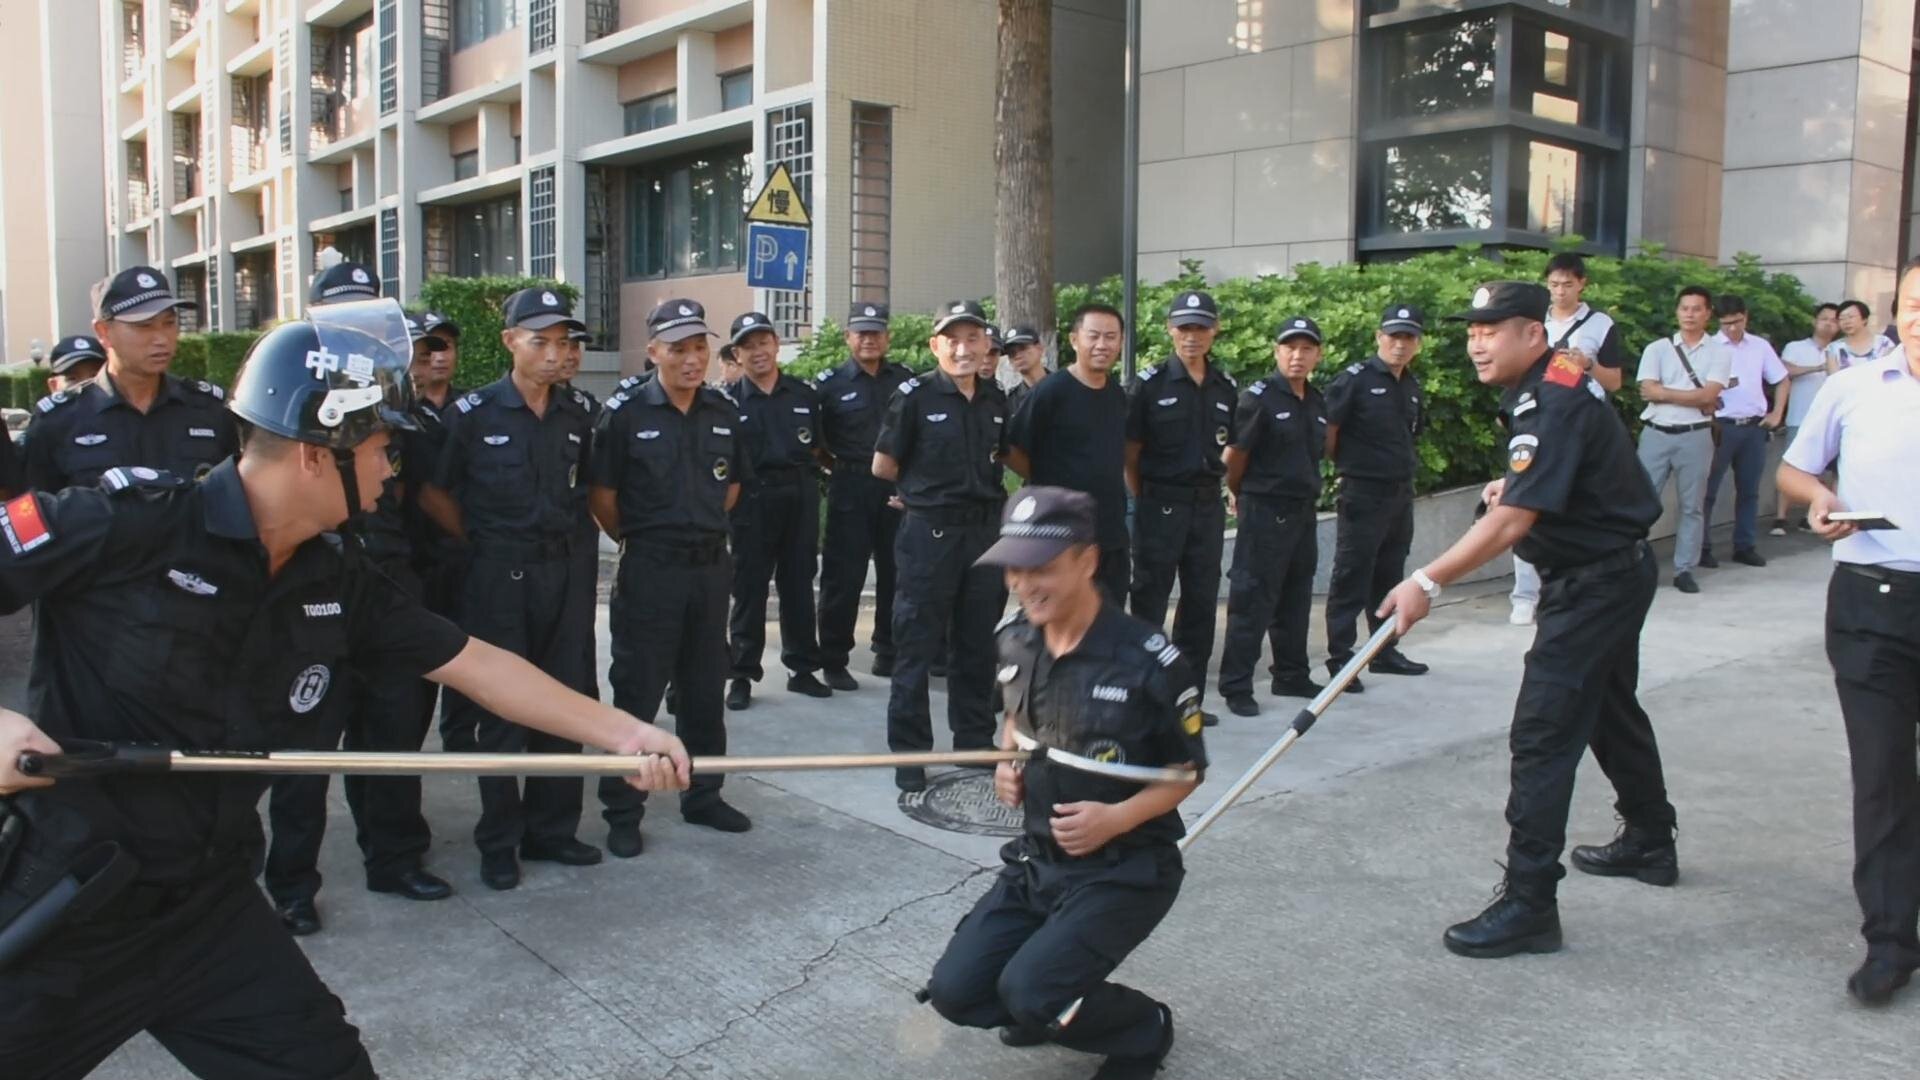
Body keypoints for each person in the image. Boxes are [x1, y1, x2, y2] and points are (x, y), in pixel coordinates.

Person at [0, 298, 689, 1078]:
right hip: (71, 903)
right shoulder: (125, 523)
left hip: (208, 907)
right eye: (384, 448)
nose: (394, 470)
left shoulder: (336, 575)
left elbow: (476, 664)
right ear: (316, 454)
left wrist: (625, 735)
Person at [1377, 281, 1677, 961]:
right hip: (1609, 571)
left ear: (1533, 334)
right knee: (1609, 711)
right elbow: (1555, 477)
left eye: (1492, 330)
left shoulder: (1551, 398)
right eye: (1471, 331)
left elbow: (1512, 522)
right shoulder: (1555, 380)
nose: (1476, 344)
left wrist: (1426, 581)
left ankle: (1530, 902)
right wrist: (1512, 486)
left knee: (1543, 733)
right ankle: (1651, 839)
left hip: (1595, 585)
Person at [924, 486, 1204, 1080]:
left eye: (1042, 568)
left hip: (1124, 868)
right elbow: (1015, 718)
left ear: (1087, 560)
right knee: (955, 992)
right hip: (1038, 861)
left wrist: (1116, 818)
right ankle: (1049, 1005)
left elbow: (1185, 773)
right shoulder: (1015, 639)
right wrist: (1008, 761)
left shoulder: (1148, 663)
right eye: (1014, 569)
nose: (1024, 584)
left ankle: (1143, 1029)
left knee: (1031, 992)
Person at [261, 267, 455, 935]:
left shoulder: (396, 406)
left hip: (388, 587)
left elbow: (426, 505)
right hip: (311, 594)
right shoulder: (294, 396)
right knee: (306, 749)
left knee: (394, 736)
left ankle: (394, 858)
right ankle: (291, 884)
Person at [420, 287, 603, 890]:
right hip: (497, 578)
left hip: (563, 576)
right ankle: (499, 841)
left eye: (563, 343)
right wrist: (481, 541)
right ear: (509, 342)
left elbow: (590, 490)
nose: (554, 354)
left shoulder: (579, 413)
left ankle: (553, 830)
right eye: (540, 341)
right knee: (500, 711)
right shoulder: (474, 414)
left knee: (564, 700)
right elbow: (435, 493)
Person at [1777, 255, 1920, 1006]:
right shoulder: (1854, 387)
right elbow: (1795, 470)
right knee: (1883, 772)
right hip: (1872, 603)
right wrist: (1817, 499)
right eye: (1914, 303)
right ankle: (1891, 940)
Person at [592, 299, 756, 856]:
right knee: (637, 690)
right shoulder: (625, 413)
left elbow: (731, 486)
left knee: (704, 687)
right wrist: (646, 540)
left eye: (699, 348)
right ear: (653, 352)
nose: (692, 359)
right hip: (651, 568)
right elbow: (603, 498)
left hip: (709, 567)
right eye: (678, 349)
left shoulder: (723, 410)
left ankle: (704, 796)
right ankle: (622, 810)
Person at [873, 300, 1010, 793]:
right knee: (917, 644)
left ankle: (974, 740)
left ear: (986, 345)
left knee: (977, 643)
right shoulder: (914, 396)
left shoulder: (995, 399)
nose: (963, 348)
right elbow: (883, 465)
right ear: (936, 346)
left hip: (983, 534)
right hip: (930, 535)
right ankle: (910, 754)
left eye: (973, 338)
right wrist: (919, 494)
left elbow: (1002, 457)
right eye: (953, 340)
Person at [21, 267, 237, 493]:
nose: (161, 338)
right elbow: (35, 507)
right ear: (103, 332)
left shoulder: (209, 410)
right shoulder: (58, 421)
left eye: (169, 323)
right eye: (144, 326)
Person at [1125, 291, 1237, 721]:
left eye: (1201, 327)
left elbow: (1231, 446)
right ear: (1170, 329)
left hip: (1206, 509)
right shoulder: (1149, 385)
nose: (1192, 336)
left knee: (1201, 605)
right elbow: (1130, 455)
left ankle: (1187, 701)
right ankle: (1145, 701)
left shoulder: (1224, 387)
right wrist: (1148, 499)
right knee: (1149, 603)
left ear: (1215, 330)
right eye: (1184, 327)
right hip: (1161, 505)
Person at [1218, 316, 1328, 717]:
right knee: (1252, 600)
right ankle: (1236, 686)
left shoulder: (1316, 400)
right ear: (1277, 352)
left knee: (1296, 597)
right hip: (1265, 510)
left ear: (1317, 355)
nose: (1297, 356)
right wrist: (1240, 493)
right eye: (1290, 348)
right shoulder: (1258, 398)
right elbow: (1234, 458)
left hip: (1302, 511)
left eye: (1306, 349)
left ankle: (1291, 674)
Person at [722, 311, 832, 710]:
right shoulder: (726, 402)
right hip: (751, 499)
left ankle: (802, 668)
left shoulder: (804, 395)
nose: (758, 352)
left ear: (776, 345)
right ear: (737, 354)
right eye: (748, 346)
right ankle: (741, 674)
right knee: (749, 588)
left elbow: (818, 447)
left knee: (799, 583)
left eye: (763, 342)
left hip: (799, 494)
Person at [1511, 253, 1625, 625]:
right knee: (1524, 502)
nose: (1560, 291)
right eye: (1554, 284)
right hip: (1536, 418)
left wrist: (1586, 364)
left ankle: (1565, 589)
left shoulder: (1600, 324)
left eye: (1568, 284)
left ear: (1582, 284)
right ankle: (1524, 596)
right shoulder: (1533, 320)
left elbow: (1615, 382)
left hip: (1580, 424)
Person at [1321, 302, 1429, 690]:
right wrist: (1351, 467)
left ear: (1417, 343)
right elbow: (1329, 432)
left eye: (1408, 337)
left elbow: (1412, 434)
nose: (1400, 344)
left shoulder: (1411, 385)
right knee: (1352, 575)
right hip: (1363, 491)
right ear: (1379, 337)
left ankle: (1383, 650)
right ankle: (1341, 658)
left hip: (1399, 492)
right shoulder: (1354, 380)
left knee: (1389, 574)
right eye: (1393, 336)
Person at [814, 302, 914, 690]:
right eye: (861, 333)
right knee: (844, 577)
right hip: (850, 487)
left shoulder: (905, 381)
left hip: (895, 487)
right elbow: (816, 442)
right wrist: (839, 467)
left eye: (876, 332)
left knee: (896, 572)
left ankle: (887, 649)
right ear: (848, 337)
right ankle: (834, 658)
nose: (869, 339)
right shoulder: (830, 385)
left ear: (887, 337)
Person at [1005, 304, 1130, 601]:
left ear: (1121, 342)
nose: (1102, 345)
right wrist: (1044, 476)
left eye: (1111, 337)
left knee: (1109, 615)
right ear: (1075, 340)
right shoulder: (1051, 391)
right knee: (1060, 616)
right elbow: (1010, 448)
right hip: (1060, 533)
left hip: (1110, 531)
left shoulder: (1117, 394)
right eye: (1093, 336)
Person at [1635, 286, 1730, 594]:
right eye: (1684, 308)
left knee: (1692, 506)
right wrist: (1692, 396)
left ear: (1708, 313)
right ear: (1677, 312)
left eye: (1697, 309)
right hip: (1656, 432)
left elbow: (1708, 395)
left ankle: (1684, 569)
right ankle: (1634, 563)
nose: (1690, 314)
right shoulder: (1657, 349)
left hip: (1696, 435)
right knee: (1642, 501)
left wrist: (1665, 393)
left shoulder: (1719, 352)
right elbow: (1647, 391)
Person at [1699, 294, 1788, 569]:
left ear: (1745, 316)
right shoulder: (1709, 346)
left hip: (1753, 427)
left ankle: (1745, 545)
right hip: (1720, 426)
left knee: (1749, 490)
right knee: (1707, 491)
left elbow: (1781, 379)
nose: (1732, 328)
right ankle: (1701, 547)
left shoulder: (1759, 346)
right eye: (1726, 323)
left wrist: (1776, 413)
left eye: (1737, 322)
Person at [1774, 302, 1839, 535]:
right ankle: (1780, 518)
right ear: (1815, 321)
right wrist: (1819, 367)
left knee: (1826, 472)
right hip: (1799, 417)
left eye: (1834, 320)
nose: (1829, 324)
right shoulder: (1796, 347)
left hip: (1830, 420)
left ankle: (1811, 517)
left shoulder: (1840, 349)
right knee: (1793, 467)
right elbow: (1785, 371)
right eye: (1824, 319)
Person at [1826, 299, 1896, 372]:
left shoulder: (1884, 343)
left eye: (1850, 317)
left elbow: (1890, 372)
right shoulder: (1833, 348)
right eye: (1841, 319)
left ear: (1864, 319)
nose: (1846, 322)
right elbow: (1834, 377)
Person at [1002, 325, 1046, 417]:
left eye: (1023, 348)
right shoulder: (1011, 402)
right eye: (1012, 353)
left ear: (1040, 349)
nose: (1017, 356)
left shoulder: (1063, 387)